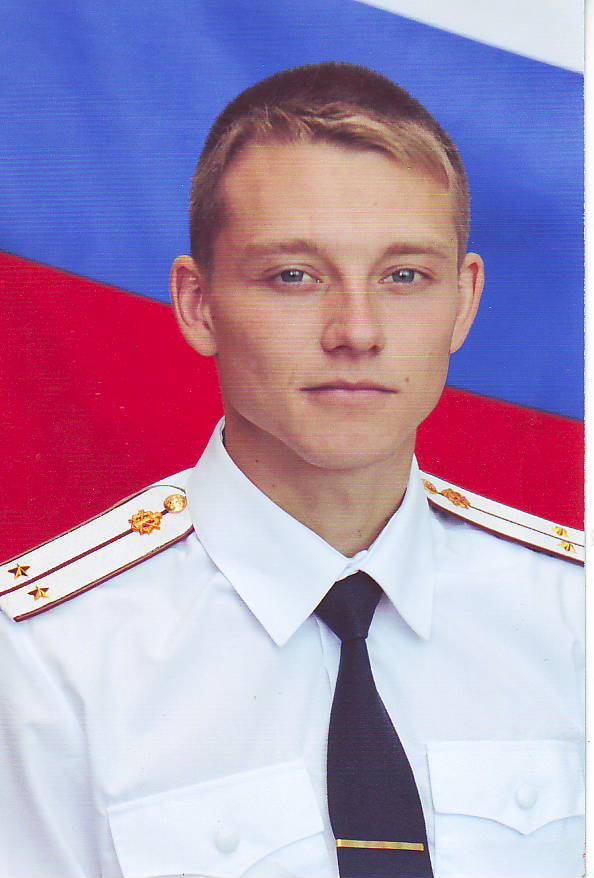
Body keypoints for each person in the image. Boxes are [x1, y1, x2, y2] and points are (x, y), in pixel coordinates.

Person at [0, 62, 584, 878]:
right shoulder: (42, 664)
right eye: (294, 276)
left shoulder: (571, 614)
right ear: (198, 304)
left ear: (463, 301)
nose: (357, 331)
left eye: (405, 276)